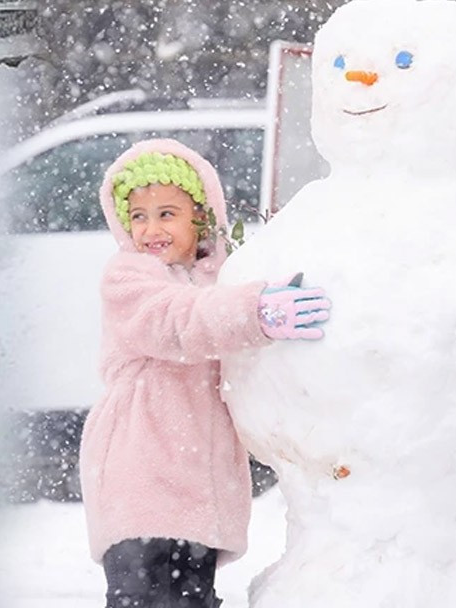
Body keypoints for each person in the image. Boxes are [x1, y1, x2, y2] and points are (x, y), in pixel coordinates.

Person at [79, 139, 332, 608]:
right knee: (143, 594)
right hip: (139, 472)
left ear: (200, 217)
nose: (151, 229)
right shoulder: (127, 279)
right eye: (138, 216)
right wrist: (255, 313)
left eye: (167, 213)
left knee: (191, 598)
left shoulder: (223, 278)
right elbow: (178, 322)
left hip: (201, 487)